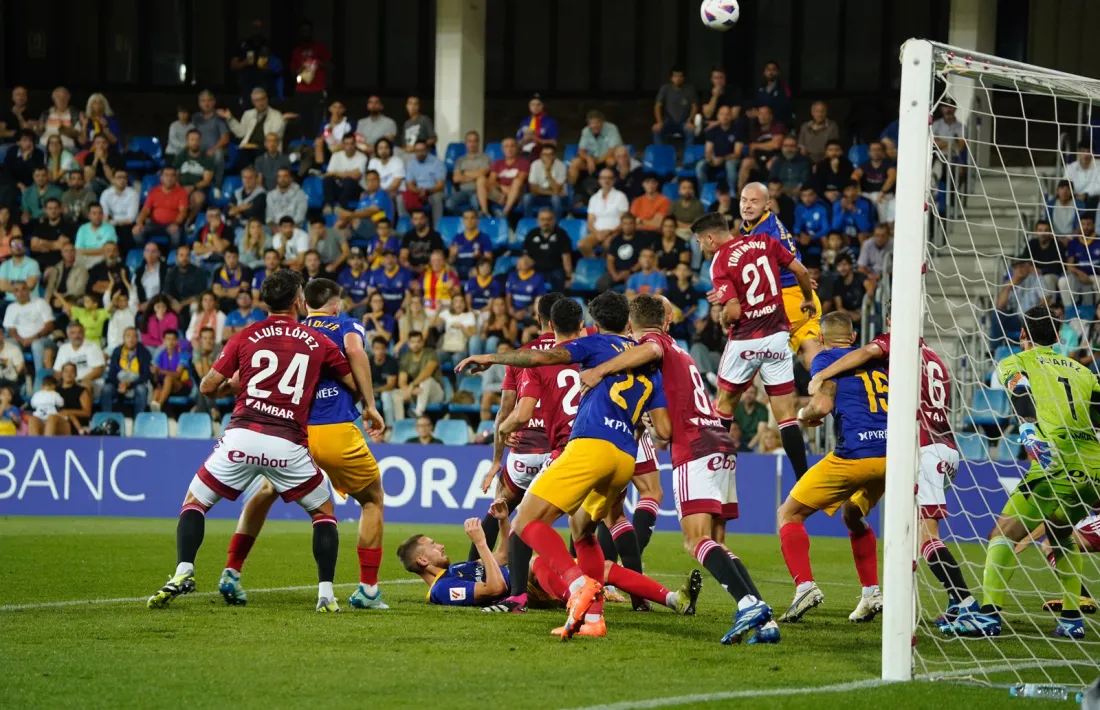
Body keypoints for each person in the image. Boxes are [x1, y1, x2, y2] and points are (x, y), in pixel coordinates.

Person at [454, 291, 672, 639]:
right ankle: (593, 619)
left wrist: (491, 358)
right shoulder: (646, 365)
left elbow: (545, 358)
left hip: (589, 447)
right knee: (583, 531)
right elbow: (663, 431)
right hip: (625, 459)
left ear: (595, 325)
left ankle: (576, 585)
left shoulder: (593, 344)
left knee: (525, 520)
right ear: (628, 323)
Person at [145, 269, 361, 613]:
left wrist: (238, 383)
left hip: (241, 437)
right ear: (298, 301)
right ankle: (325, 594)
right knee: (323, 513)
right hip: (287, 442)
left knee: (194, 502)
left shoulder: (246, 335)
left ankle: (184, 570)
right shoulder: (317, 341)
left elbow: (207, 387)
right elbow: (351, 381)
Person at [579, 294, 778, 644]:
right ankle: (763, 616)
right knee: (715, 541)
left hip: (695, 444)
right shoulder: (681, 349)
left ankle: (747, 604)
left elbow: (664, 419)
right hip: (718, 440)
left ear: (631, 324)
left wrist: (601, 369)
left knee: (695, 540)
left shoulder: (653, 343)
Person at [218, 278, 387, 610]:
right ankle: (367, 589)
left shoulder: (291, 331)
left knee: (266, 490)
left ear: (303, 304)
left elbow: (239, 380)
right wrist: (369, 404)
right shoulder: (346, 324)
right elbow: (354, 350)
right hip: (336, 429)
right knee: (372, 500)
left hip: (293, 433)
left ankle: (232, 571)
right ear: (335, 304)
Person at [946, 305, 1100, 640]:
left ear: (1021, 335)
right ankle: (1072, 620)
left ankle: (988, 617)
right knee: (1061, 534)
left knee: (1002, 534)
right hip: (1094, 467)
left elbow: (1019, 389)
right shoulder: (1083, 372)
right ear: (1059, 336)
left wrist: (1028, 428)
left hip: (1055, 462)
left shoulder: (1014, 361)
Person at [809, 317, 972, 623]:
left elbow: (866, 353)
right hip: (947, 448)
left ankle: (966, 603)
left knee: (926, 538)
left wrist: (823, 375)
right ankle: (946, 602)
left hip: (923, 450)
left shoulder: (897, 341)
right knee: (909, 533)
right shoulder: (934, 357)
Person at [772, 311, 887, 623]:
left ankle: (805, 587)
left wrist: (803, 414)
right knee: (853, 513)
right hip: (891, 456)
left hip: (855, 454)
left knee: (789, 514)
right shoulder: (879, 359)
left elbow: (822, 405)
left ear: (821, 339)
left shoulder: (825, 359)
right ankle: (871, 592)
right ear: (853, 337)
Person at [694, 201, 816, 483]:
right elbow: (802, 272)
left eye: (701, 242)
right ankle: (804, 481)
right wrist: (808, 298)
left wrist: (724, 317)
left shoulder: (720, 261)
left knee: (724, 406)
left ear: (711, 238)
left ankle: (711, 478)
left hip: (745, 341)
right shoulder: (763, 241)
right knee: (786, 416)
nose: (702, 248)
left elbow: (734, 311)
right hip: (776, 339)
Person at [289, 20, 332, 141]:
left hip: (317, 89)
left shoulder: (320, 47)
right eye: (303, 31)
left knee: (318, 119)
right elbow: (292, 72)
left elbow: (331, 67)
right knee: (303, 119)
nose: (305, 34)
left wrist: (319, 63)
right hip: (301, 90)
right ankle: (305, 143)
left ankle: (316, 143)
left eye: (308, 31)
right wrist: (301, 69)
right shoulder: (297, 51)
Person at [133, 167, 188, 250]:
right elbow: (145, 210)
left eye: (172, 175)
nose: (169, 178)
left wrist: (176, 224)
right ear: (161, 178)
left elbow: (183, 212)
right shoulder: (153, 191)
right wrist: (140, 223)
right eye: (166, 175)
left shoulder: (181, 192)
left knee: (176, 236)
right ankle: (145, 256)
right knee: (137, 232)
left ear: (176, 178)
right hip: (153, 224)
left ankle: (172, 259)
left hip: (172, 224)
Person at [393, 330, 445, 418]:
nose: (416, 344)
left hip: (435, 393)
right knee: (396, 393)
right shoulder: (406, 357)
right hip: (418, 392)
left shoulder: (430, 353)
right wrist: (411, 390)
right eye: (413, 342)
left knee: (426, 381)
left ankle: (418, 413)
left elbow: (427, 372)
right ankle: (400, 423)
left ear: (422, 343)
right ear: (408, 344)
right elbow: (402, 382)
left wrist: (412, 385)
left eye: (418, 341)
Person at [579, 168, 629, 258]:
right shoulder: (594, 198)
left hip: (615, 232)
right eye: (603, 178)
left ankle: (606, 269)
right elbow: (590, 221)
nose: (606, 180)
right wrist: (597, 232)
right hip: (597, 232)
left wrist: (609, 232)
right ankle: (595, 266)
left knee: (607, 245)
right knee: (582, 245)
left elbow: (624, 221)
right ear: (599, 180)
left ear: (614, 180)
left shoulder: (621, 196)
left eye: (609, 178)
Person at [4, 281, 54, 371]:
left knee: (36, 344)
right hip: (21, 340)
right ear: (14, 294)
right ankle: (16, 375)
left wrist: (34, 338)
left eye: (23, 289)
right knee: (8, 343)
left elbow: (49, 325)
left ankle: (39, 377)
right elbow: (11, 330)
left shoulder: (40, 303)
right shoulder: (11, 308)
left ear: (28, 290)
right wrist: (21, 340)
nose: (20, 293)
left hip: (41, 338)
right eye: (17, 290)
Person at [522, 208, 572, 293]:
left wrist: (568, 277)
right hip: (536, 269)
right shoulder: (531, 234)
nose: (546, 222)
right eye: (542, 219)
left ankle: (557, 303)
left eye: (549, 219)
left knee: (558, 277)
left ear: (554, 220)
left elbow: (566, 257)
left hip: (554, 269)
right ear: (538, 220)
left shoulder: (562, 234)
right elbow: (526, 255)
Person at [697, 106, 744, 189]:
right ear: (718, 116)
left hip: (731, 159)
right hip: (715, 159)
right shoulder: (712, 130)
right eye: (722, 114)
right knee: (700, 165)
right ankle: (703, 192)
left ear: (731, 116)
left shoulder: (738, 130)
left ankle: (732, 193)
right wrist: (711, 159)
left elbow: (737, 153)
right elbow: (708, 151)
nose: (725, 117)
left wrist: (722, 159)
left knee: (730, 165)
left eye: (727, 114)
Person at [402, 141, 446, 226]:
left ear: (427, 150)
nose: (420, 153)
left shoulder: (436, 162)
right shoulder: (411, 164)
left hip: (433, 192)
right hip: (417, 192)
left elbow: (440, 185)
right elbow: (409, 184)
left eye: (422, 150)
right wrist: (418, 191)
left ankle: (437, 228)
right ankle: (406, 226)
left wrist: (427, 191)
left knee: (436, 198)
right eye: (417, 151)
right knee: (401, 198)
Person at [652, 67, 697, 150]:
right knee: (656, 130)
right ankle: (661, 155)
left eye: (680, 76)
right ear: (671, 78)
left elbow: (694, 107)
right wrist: (659, 122)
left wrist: (690, 120)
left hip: (684, 122)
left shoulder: (689, 89)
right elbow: (657, 106)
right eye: (675, 76)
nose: (678, 79)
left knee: (690, 131)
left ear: (683, 78)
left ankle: (688, 159)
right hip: (668, 121)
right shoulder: (665, 88)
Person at [447, 130, 491, 216]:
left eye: (475, 141)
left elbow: (483, 173)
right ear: (466, 143)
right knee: (449, 205)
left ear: (478, 143)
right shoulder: (460, 160)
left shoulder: (485, 158)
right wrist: (475, 176)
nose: (472, 144)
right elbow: (456, 179)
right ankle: (465, 220)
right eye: (469, 141)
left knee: (476, 203)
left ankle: (477, 222)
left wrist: (464, 173)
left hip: (477, 191)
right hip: (463, 191)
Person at [54, 321, 106, 389]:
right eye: (73, 333)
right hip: (68, 383)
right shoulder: (63, 348)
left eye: (80, 332)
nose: (76, 336)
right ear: (68, 335)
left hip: (90, 382)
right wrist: (67, 382)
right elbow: (57, 371)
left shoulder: (93, 347)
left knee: (84, 385)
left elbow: (98, 371)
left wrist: (79, 381)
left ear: (84, 334)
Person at [487, 138, 528, 218]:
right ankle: (485, 213)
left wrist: (504, 190)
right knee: (483, 183)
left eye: (512, 146)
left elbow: (520, 179)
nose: (509, 149)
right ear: (502, 149)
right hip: (500, 193)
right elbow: (491, 180)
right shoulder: (498, 163)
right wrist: (503, 191)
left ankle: (505, 212)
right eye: (506, 146)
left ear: (517, 148)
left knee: (517, 182)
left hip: (517, 194)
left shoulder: (524, 163)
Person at [323, 133, 367, 209]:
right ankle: (329, 206)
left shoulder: (362, 157)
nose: (349, 147)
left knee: (348, 181)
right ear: (343, 145)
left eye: (351, 144)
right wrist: (350, 173)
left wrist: (335, 173)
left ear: (355, 144)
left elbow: (356, 176)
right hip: (340, 187)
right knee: (327, 180)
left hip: (356, 188)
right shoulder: (336, 155)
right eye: (346, 144)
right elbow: (328, 174)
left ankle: (341, 206)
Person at [523, 144, 567, 219]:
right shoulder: (535, 164)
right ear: (541, 155)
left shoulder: (561, 166)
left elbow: (557, 189)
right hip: (540, 197)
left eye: (550, 154)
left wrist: (548, 172)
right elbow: (533, 189)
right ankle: (528, 223)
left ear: (554, 155)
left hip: (556, 198)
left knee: (556, 199)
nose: (547, 157)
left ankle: (556, 225)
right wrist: (552, 192)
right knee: (527, 198)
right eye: (544, 154)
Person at [369, 248, 414, 317]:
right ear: (383, 260)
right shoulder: (376, 273)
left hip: (400, 309)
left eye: (393, 257)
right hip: (382, 309)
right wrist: (377, 309)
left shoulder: (405, 273)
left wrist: (402, 309)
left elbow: (408, 295)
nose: (390, 260)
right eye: (387, 257)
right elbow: (371, 293)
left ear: (397, 259)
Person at [399, 209, 445, 275]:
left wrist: (425, 267)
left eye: (421, 218)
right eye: (415, 219)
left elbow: (438, 258)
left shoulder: (435, 236)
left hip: (430, 270)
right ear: (412, 221)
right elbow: (403, 256)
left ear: (426, 219)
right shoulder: (408, 236)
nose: (418, 222)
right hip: (410, 270)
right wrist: (410, 266)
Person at [450, 209, 492, 279]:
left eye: (472, 218)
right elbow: (450, 261)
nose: (469, 221)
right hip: (458, 268)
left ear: (477, 221)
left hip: (474, 268)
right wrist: (452, 255)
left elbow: (489, 260)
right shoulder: (457, 238)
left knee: (478, 271)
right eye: (466, 218)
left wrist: (480, 256)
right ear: (463, 221)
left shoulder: (484, 237)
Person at [173, 130, 215, 194]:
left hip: (197, 189)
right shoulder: (180, 156)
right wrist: (180, 188)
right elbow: (174, 175)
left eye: (197, 140)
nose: (195, 142)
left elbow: (206, 181)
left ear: (200, 142)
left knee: (197, 199)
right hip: (180, 188)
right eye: (192, 140)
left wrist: (193, 187)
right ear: (187, 141)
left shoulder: (207, 158)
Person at [338, 247, 372, 318]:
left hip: (362, 304)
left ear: (363, 260)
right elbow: (340, 293)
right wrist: (347, 301)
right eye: (352, 258)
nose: (356, 261)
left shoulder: (369, 274)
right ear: (348, 261)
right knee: (340, 306)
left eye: (358, 258)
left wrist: (355, 305)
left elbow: (370, 297)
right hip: (348, 302)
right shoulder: (344, 274)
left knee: (360, 311)